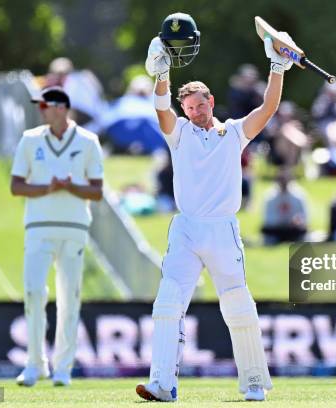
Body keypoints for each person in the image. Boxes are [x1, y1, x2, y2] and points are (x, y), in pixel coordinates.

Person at [135, 12, 294, 402]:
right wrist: (161, 75)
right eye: (187, 108)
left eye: (198, 105)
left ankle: (254, 382)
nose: (194, 112)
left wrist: (277, 66)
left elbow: (268, 109)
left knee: (237, 304)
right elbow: (160, 110)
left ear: (211, 101)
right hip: (186, 229)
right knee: (168, 303)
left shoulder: (233, 133)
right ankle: (163, 384)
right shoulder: (179, 134)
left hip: (223, 230)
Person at [10, 86, 104, 387]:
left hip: (74, 227)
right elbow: (16, 185)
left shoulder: (89, 142)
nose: (41, 111)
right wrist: (47, 188)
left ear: (61, 107)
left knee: (69, 298)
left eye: (45, 106)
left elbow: (97, 190)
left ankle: (63, 367)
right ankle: (34, 364)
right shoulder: (30, 139)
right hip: (38, 226)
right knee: (34, 292)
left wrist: (69, 186)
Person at [261, 169, 308, 245]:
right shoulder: (270, 196)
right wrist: (281, 221)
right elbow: (267, 219)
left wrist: (296, 221)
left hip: (293, 229)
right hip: (276, 229)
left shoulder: (298, 196)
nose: (283, 183)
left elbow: (304, 216)